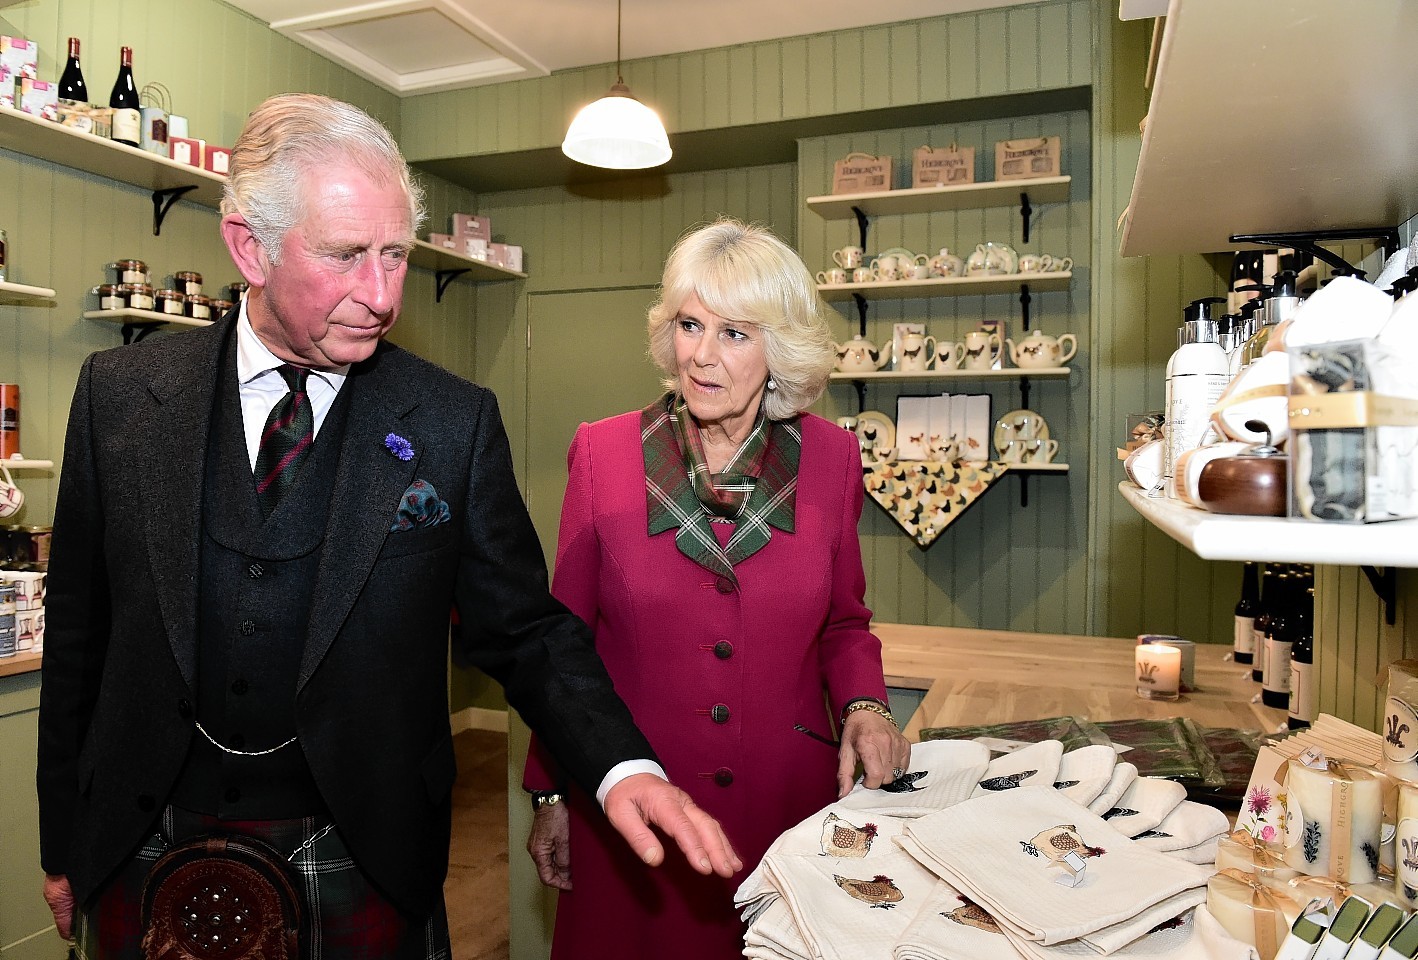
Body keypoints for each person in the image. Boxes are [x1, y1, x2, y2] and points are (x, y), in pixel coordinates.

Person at [36, 93, 739, 960]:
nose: (381, 295)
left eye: (396, 254)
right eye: (344, 256)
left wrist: (621, 766)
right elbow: (79, 637)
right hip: (139, 831)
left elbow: (523, 630)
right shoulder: (119, 397)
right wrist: (60, 840)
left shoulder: (451, 422)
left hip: (360, 845)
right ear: (248, 246)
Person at [522, 219, 912, 959]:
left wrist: (865, 707)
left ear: (781, 350)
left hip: (785, 815)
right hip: (635, 816)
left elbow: (845, 623)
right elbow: (560, 646)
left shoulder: (831, 458)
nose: (700, 355)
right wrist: (551, 794)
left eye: (735, 333)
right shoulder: (603, 453)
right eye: (689, 324)